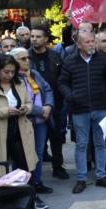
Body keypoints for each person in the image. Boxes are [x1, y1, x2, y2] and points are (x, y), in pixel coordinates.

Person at [58, 31, 106, 193]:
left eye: (92, 41)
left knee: (100, 143)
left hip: (101, 109)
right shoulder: (69, 61)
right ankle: (81, 179)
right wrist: (71, 96)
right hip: (79, 110)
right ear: (78, 44)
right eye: (87, 42)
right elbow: (62, 83)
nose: (91, 44)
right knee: (81, 145)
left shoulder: (105, 61)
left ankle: (101, 176)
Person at [0, 57, 38, 199]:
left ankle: (26, 196)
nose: (9, 75)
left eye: (13, 72)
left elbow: (29, 102)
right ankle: (2, 198)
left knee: (24, 164)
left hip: (19, 129)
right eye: (6, 72)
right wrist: (5, 111)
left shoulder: (19, 85)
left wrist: (26, 108)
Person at [10, 49, 54, 209]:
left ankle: (37, 182)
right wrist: (40, 110)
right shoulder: (12, 78)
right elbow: (20, 102)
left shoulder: (33, 73)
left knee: (39, 152)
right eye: (23, 58)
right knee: (23, 155)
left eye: (28, 58)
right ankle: (23, 186)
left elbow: (48, 89)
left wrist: (48, 106)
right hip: (24, 121)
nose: (27, 60)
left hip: (41, 121)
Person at [29, 25, 68, 180]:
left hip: (56, 104)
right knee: (36, 141)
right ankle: (34, 174)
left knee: (57, 137)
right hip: (34, 105)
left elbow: (62, 78)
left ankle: (58, 167)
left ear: (45, 39)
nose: (34, 39)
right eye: (32, 36)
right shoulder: (26, 56)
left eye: (38, 37)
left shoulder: (55, 57)